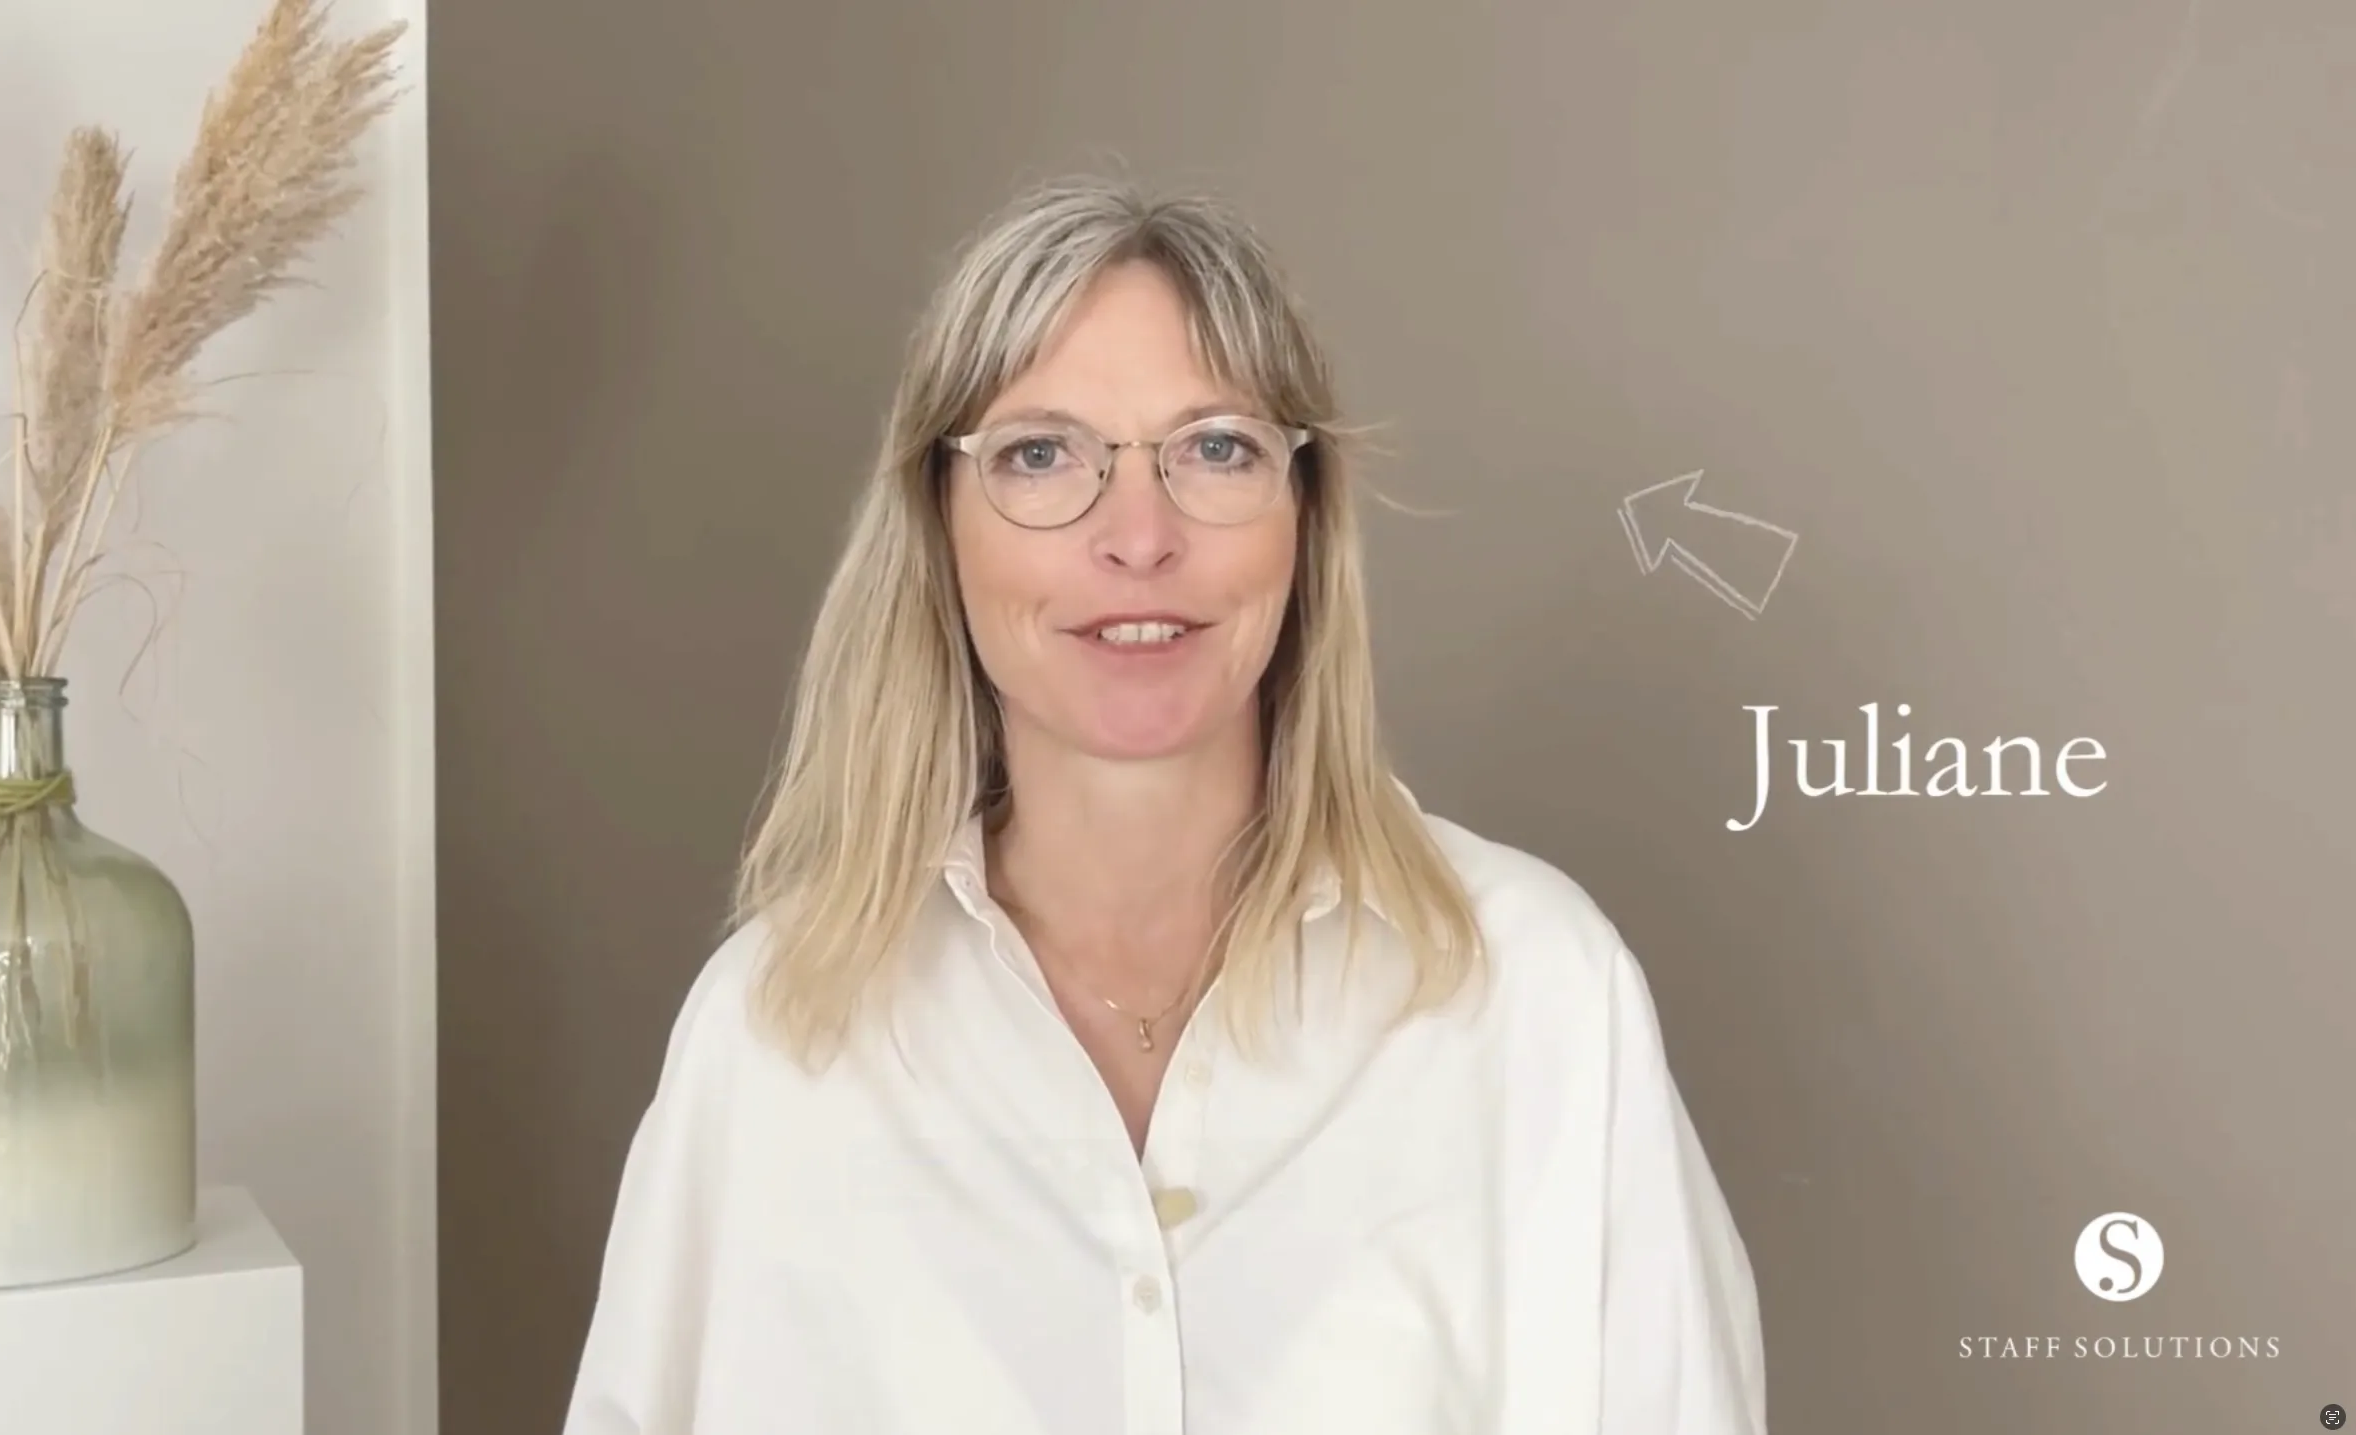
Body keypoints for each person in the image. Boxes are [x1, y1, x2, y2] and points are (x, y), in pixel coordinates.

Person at [560, 174, 1767, 1435]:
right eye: (1040, 454)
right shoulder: (774, 1034)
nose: (1138, 536)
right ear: (937, 522)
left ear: (1305, 516)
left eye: (1215, 449)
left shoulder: (1536, 993)